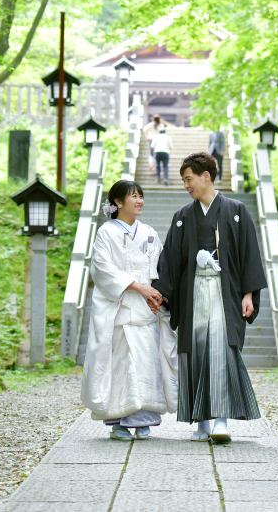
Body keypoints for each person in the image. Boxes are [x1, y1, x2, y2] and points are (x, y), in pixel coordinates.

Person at [153, 152, 267, 443]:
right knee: (195, 349)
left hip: (223, 292)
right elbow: (170, 259)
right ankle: (201, 421)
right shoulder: (182, 216)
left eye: (189, 179)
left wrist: (249, 294)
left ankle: (220, 420)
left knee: (219, 348)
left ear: (206, 176)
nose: (186, 186)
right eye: (184, 181)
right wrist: (161, 293)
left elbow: (249, 254)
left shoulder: (236, 210)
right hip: (192, 292)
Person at [81, 180, 179, 441]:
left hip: (147, 309)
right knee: (122, 364)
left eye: (141, 196)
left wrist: (159, 294)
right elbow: (102, 268)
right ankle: (119, 421)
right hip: (121, 307)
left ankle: (143, 419)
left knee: (147, 364)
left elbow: (161, 266)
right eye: (133, 196)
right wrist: (138, 287)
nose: (139, 201)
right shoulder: (106, 233)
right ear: (117, 202)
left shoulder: (148, 232)